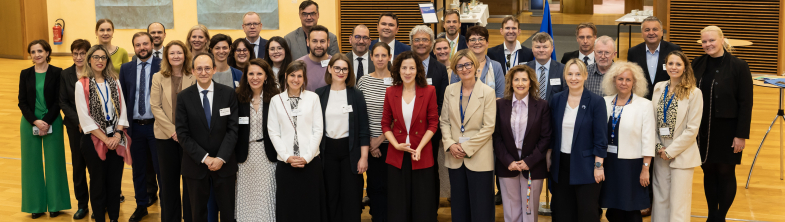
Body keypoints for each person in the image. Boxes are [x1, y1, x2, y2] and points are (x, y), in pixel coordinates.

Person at [693, 25, 753, 222]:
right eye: (704, 41)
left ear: (722, 40)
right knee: (708, 171)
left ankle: (721, 217)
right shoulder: (697, 63)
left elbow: (746, 102)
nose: (708, 44)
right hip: (703, 130)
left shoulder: (739, 65)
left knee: (726, 172)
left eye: (711, 40)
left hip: (728, 131)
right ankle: (712, 214)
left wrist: (741, 135)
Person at [175, 52, 239, 222]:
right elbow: (182, 133)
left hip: (224, 164)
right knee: (198, 214)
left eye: (207, 68)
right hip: (196, 165)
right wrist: (205, 158)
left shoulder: (228, 94)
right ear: (193, 71)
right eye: (199, 69)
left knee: (227, 212)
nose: (203, 72)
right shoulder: (183, 97)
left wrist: (220, 158)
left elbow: (233, 130)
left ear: (214, 70)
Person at [381, 51, 439, 222]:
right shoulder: (391, 91)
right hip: (397, 154)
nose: (407, 72)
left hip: (421, 153)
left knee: (422, 204)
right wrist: (396, 145)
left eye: (412, 68)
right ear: (398, 70)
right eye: (404, 68)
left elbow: (433, 123)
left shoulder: (429, 91)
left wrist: (419, 147)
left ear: (418, 70)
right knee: (398, 204)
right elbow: (385, 123)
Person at [440, 49, 497, 221]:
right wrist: (450, 144)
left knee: (481, 208)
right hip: (455, 157)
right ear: (455, 69)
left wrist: (465, 147)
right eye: (460, 66)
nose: (464, 69)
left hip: (479, 156)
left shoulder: (487, 92)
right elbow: (444, 122)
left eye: (468, 64)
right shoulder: (450, 90)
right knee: (459, 206)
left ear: (475, 65)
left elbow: (489, 127)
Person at [76, 45, 131, 222]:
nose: (100, 61)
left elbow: (123, 110)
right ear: (89, 59)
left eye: (103, 57)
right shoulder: (81, 84)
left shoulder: (114, 81)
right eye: (96, 57)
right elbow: (84, 119)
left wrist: (116, 135)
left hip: (115, 138)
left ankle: (114, 218)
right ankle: (99, 218)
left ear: (107, 61)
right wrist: (105, 139)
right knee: (98, 183)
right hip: (93, 140)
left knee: (114, 184)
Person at [548, 59, 607, 222]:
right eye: (570, 74)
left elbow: (601, 138)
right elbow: (552, 133)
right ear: (565, 76)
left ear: (585, 76)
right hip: (561, 166)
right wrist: (548, 157)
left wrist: (598, 166)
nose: (574, 78)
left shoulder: (596, 102)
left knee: (587, 213)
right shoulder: (557, 99)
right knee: (562, 213)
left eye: (578, 74)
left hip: (587, 166)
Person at [268, 60, 327, 221]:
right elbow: (273, 132)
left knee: (310, 206)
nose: (296, 79)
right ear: (286, 76)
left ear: (304, 78)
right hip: (286, 164)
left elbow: (318, 130)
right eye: (292, 75)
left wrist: (306, 157)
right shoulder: (276, 100)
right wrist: (287, 157)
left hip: (310, 162)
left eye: (299, 76)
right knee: (288, 207)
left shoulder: (313, 98)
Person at [315, 54, 370, 222]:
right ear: (330, 69)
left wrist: (364, 157)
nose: (341, 72)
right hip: (327, 152)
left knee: (351, 197)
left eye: (345, 69)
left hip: (350, 152)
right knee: (331, 197)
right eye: (337, 68)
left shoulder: (356, 95)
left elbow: (363, 128)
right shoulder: (319, 94)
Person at [598, 61, 656, 222]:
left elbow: (649, 138)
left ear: (634, 82)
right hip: (609, 162)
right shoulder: (604, 102)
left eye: (628, 79)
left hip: (632, 164)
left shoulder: (644, 105)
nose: (623, 83)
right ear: (613, 80)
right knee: (613, 208)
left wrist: (645, 168)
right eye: (620, 79)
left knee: (631, 209)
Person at [493, 65, 551, 222]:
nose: (520, 83)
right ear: (511, 83)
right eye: (516, 79)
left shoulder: (542, 105)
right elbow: (496, 137)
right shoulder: (500, 105)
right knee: (511, 211)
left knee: (530, 211)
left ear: (530, 83)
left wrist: (529, 161)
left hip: (533, 165)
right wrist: (508, 161)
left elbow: (546, 138)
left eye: (524, 79)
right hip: (507, 165)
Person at [19, 39, 69, 219]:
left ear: (47, 52)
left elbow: (58, 101)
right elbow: (22, 102)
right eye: (33, 52)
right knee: (31, 165)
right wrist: (35, 121)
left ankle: (57, 204)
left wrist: (46, 121)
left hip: (52, 121)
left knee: (55, 163)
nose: (37, 54)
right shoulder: (25, 74)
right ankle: (36, 205)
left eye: (40, 50)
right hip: (29, 123)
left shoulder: (57, 73)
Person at [651, 51, 703, 222]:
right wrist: (659, 147)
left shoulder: (694, 93)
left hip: (682, 151)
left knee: (679, 201)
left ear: (685, 67)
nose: (674, 67)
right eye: (670, 64)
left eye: (678, 64)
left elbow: (692, 130)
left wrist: (671, 151)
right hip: (660, 152)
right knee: (660, 199)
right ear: (666, 66)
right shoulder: (658, 87)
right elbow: (653, 122)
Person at [118, 32, 162, 222]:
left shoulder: (162, 66)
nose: (142, 47)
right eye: (138, 45)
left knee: (161, 168)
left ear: (152, 44)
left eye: (145, 44)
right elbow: (122, 99)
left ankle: (168, 206)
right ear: (133, 47)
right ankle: (141, 205)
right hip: (135, 127)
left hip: (157, 127)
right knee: (139, 170)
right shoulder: (125, 68)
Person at [150, 40, 195, 222]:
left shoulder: (194, 76)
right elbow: (155, 106)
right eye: (172, 53)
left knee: (190, 181)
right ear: (167, 57)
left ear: (185, 55)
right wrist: (173, 131)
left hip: (189, 138)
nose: (176, 56)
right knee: (168, 183)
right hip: (165, 137)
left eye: (179, 53)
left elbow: (196, 108)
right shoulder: (158, 77)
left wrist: (182, 133)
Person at [409, 25, 450, 207]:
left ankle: (430, 210)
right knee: (409, 171)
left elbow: (443, 102)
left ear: (432, 43)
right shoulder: (404, 65)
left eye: (425, 39)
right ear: (411, 43)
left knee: (430, 171)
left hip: (430, 132)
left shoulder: (439, 69)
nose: (421, 43)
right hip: (407, 131)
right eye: (417, 39)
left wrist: (431, 126)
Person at [234, 58, 280, 221]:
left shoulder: (276, 98)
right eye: (251, 73)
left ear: (266, 76)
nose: (255, 77)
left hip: (268, 156)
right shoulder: (237, 97)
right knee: (246, 197)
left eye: (259, 73)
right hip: (244, 157)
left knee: (266, 197)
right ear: (245, 76)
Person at [356, 42, 394, 222]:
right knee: (374, 187)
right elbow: (359, 113)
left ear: (389, 57)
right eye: (376, 55)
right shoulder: (363, 81)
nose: (380, 59)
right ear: (371, 57)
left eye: (383, 55)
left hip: (392, 144)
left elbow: (400, 115)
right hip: (369, 145)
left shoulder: (397, 80)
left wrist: (380, 139)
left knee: (391, 187)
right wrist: (371, 142)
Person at [59, 39, 92, 220]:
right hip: (74, 128)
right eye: (75, 53)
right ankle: (82, 204)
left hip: (95, 128)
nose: (79, 57)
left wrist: (88, 122)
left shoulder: (95, 72)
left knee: (95, 167)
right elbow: (63, 101)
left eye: (82, 53)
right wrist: (79, 121)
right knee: (78, 166)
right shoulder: (66, 74)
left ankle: (98, 203)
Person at [626, 16, 682, 100]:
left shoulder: (674, 50)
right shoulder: (633, 52)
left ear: (662, 32)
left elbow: (680, 76)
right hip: (641, 100)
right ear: (642, 33)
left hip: (667, 99)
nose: (651, 33)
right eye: (647, 30)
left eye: (655, 29)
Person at [450, 26, 505, 98]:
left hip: (491, 108)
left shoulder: (496, 66)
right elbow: (453, 93)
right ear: (467, 43)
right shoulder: (459, 65)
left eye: (481, 39)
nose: (477, 42)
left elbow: (500, 95)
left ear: (487, 43)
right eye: (473, 39)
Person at [526, 32, 565, 102]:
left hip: (553, 111)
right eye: (537, 47)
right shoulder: (524, 69)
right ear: (532, 49)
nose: (541, 50)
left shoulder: (563, 70)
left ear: (552, 48)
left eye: (545, 47)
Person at [296, 25, 333, 92]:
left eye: (322, 41)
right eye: (314, 41)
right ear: (307, 42)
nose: (318, 45)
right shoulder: (298, 65)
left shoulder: (336, 64)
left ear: (328, 42)